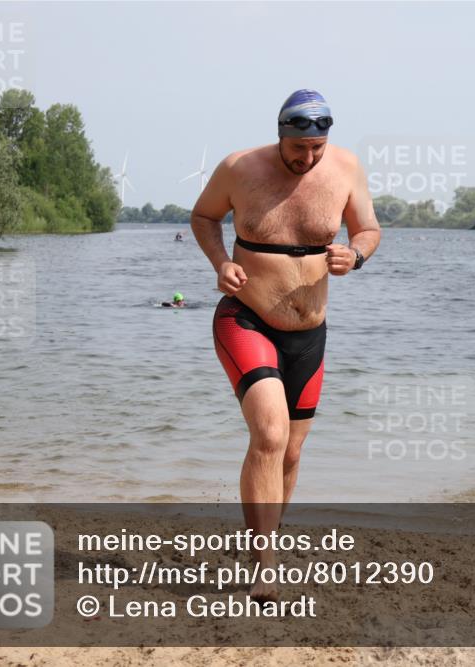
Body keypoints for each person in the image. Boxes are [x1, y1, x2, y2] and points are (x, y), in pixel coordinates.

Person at [190, 89, 381, 600]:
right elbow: (203, 217)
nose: (308, 158)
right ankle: (265, 565)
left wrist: (354, 256)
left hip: (309, 334)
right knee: (270, 436)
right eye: (300, 149)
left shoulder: (345, 169)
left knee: (291, 453)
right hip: (246, 318)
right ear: (281, 135)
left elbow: (368, 230)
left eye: (317, 148)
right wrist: (220, 264)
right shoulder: (239, 168)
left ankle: (263, 540)